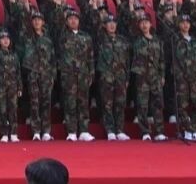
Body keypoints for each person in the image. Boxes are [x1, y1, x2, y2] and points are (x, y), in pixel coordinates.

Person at [59, 8, 94, 141]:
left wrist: (91, 73)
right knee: (70, 103)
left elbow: (90, 57)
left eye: (75, 19)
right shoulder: (63, 36)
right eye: (70, 19)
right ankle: (72, 131)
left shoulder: (86, 37)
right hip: (69, 75)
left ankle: (84, 130)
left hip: (83, 75)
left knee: (83, 103)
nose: (73, 21)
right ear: (66, 22)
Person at [95, 14, 131, 141]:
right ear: (104, 25)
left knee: (120, 103)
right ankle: (110, 130)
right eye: (109, 23)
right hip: (106, 76)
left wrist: (127, 78)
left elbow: (127, 60)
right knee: (107, 104)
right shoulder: (101, 39)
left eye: (114, 23)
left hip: (121, 76)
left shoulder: (123, 41)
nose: (111, 25)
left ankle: (120, 130)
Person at [171, 14, 196, 141]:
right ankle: (186, 130)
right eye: (182, 22)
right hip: (182, 79)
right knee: (183, 104)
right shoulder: (175, 40)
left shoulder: (195, 42)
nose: (185, 25)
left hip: (195, 78)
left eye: (187, 23)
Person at [22, 11, 55, 141]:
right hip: (33, 74)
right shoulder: (28, 36)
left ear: (43, 22)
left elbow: (52, 59)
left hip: (46, 74)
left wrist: (52, 75)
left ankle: (46, 131)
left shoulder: (48, 40)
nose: (37, 22)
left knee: (46, 102)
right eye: (34, 20)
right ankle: (36, 131)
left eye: (39, 20)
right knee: (34, 102)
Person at [132, 14, 166, 141]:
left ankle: (159, 131)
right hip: (142, 77)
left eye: (146, 22)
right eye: (141, 23)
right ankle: (145, 131)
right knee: (142, 105)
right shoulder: (136, 40)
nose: (144, 25)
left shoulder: (157, 41)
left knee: (158, 104)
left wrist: (162, 75)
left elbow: (162, 60)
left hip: (155, 76)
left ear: (150, 24)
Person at [0, 30, 20, 143]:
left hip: (13, 86)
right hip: (0, 86)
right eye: (3, 39)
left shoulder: (14, 55)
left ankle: (14, 133)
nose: (6, 41)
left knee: (13, 109)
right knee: (2, 110)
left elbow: (18, 72)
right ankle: (4, 133)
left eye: (7, 38)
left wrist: (19, 87)